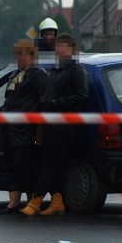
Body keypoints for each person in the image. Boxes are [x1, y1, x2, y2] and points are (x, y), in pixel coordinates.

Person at [20, 33, 88, 216]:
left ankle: (35, 201)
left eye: (62, 47)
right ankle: (57, 201)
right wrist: (44, 101)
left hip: (65, 125)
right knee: (50, 162)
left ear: (71, 50)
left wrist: (56, 103)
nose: (58, 49)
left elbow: (82, 95)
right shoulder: (57, 70)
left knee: (50, 162)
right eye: (57, 47)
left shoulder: (76, 70)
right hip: (50, 122)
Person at [0, 40, 47, 214]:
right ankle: (13, 202)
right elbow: (8, 98)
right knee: (12, 163)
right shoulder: (14, 75)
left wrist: (31, 113)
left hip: (27, 128)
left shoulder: (37, 74)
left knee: (27, 164)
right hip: (11, 127)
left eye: (23, 54)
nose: (20, 58)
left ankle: (32, 202)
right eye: (18, 54)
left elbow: (42, 100)